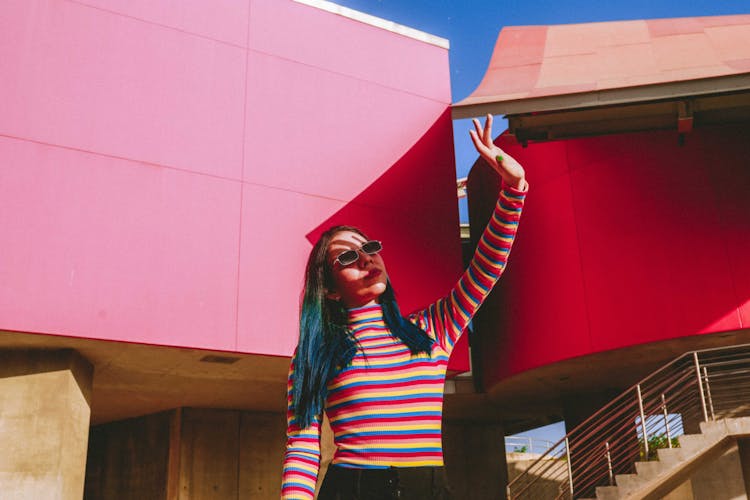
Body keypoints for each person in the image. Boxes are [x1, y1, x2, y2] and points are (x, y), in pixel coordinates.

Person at [281, 115, 528, 499]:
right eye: (347, 258)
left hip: (427, 489)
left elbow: (486, 271)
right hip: (353, 488)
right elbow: (301, 445)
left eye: (370, 249)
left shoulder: (433, 328)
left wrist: (513, 188)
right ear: (328, 290)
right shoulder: (313, 353)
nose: (365, 259)